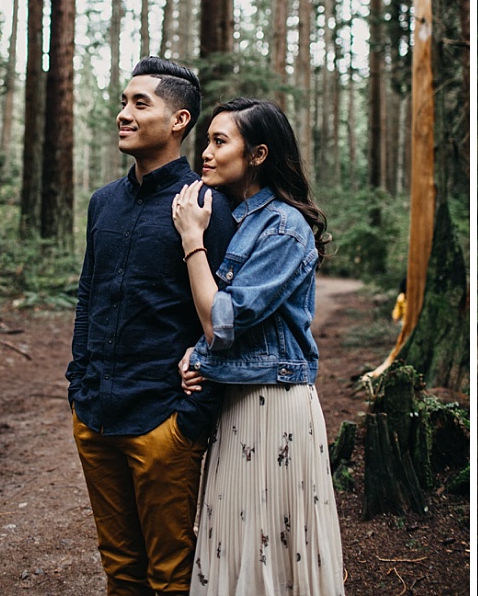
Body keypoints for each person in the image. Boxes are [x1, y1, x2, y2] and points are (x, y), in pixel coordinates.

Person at [69, 56, 236, 596]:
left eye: (140, 103)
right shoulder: (103, 204)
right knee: (119, 567)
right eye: (123, 101)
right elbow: (89, 295)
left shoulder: (209, 206)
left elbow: (228, 316)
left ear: (180, 120)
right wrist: (79, 384)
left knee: (169, 574)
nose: (124, 113)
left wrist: (190, 418)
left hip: (162, 421)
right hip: (95, 413)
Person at [171, 97, 345, 596]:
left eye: (220, 141)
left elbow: (222, 322)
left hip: (275, 406)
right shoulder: (239, 219)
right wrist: (195, 356)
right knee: (235, 540)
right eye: (207, 140)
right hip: (239, 402)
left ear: (258, 154)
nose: (205, 152)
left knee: (269, 544)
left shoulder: (284, 228)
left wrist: (192, 240)